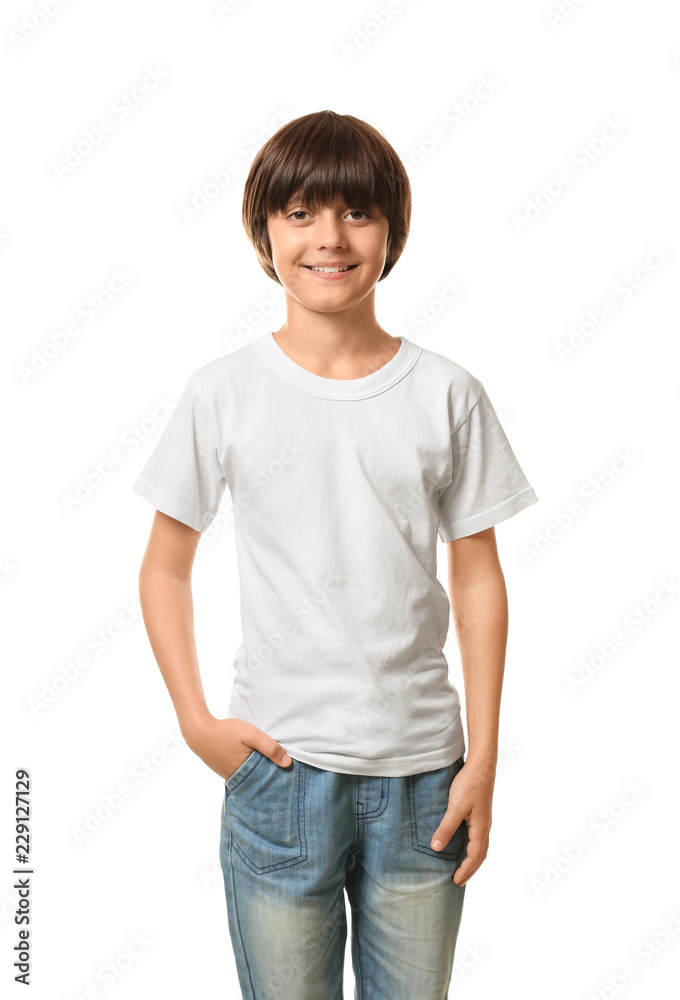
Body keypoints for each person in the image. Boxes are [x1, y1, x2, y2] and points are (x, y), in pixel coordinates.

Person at [132, 110, 539, 1000]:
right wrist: (198, 722)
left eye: (356, 213)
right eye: (302, 213)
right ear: (263, 230)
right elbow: (164, 566)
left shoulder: (446, 393)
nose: (329, 237)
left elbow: (478, 575)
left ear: (391, 231)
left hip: (425, 777)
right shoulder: (223, 393)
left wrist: (484, 759)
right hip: (281, 771)